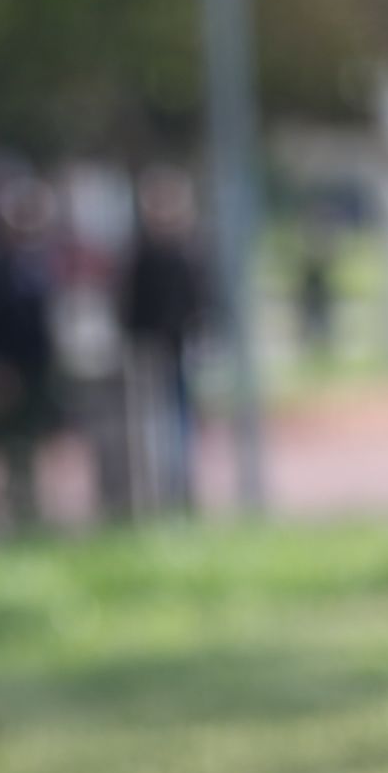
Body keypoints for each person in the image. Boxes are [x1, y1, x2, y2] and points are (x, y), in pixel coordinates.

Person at [0, 178, 65, 534]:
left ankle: (26, 501)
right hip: (5, 370)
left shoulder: (37, 267)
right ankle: (8, 503)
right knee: (5, 441)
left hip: (34, 367)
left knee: (29, 438)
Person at [117, 170, 213, 515]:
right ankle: (157, 495)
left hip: (180, 352)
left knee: (180, 424)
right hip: (149, 355)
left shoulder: (190, 254)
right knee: (152, 426)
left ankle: (181, 492)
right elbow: (131, 310)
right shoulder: (142, 256)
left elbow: (201, 304)